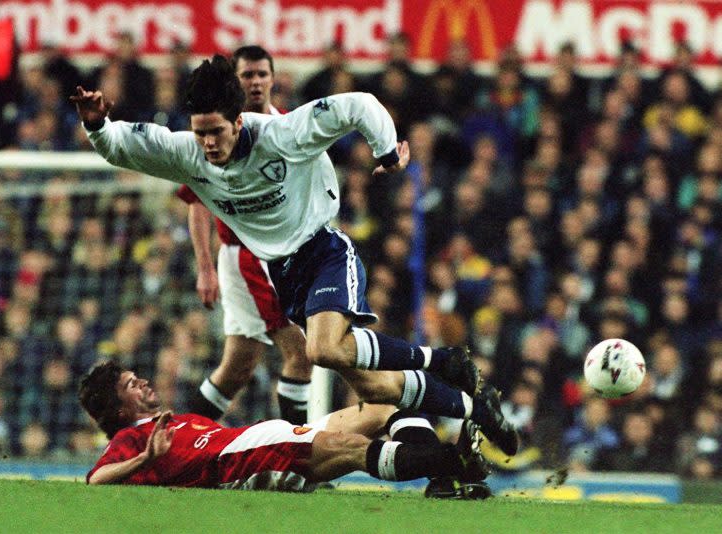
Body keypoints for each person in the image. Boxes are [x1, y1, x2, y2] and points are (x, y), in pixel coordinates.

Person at [70, 55, 518, 456]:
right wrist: (96, 126)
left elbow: (358, 104)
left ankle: (441, 362)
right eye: (200, 132)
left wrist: (385, 149)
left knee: (320, 350)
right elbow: (124, 146)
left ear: (239, 122)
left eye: (217, 132)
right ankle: (474, 404)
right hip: (282, 273)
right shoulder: (187, 154)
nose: (207, 143)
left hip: (323, 249)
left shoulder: (282, 135)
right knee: (375, 386)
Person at [79, 360, 491, 498]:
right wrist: (146, 457)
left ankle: (441, 477)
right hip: (242, 459)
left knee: (385, 405)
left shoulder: (170, 419)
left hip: (257, 438)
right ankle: (454, 461)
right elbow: (96, 479)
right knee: (350, 448)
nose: (143, 382)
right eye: (131, 385)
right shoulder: (129, 439)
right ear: (117, 408)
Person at [176, 45, 312, 425]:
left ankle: (181, 443)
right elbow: (196, 201)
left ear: (273, 78)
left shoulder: (285, 127)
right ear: (234, 82)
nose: (255, 82)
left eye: (261, 74)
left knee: (238, 365)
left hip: (283, 253)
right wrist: (205, 266)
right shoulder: (214, 134)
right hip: (249, 256)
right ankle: (298, 459)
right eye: (246, 75)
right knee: (303, 353)